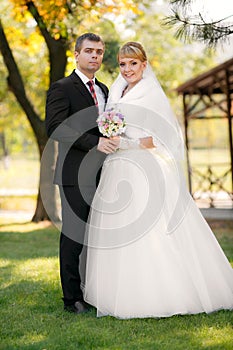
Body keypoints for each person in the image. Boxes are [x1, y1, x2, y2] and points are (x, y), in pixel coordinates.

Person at [84, 42, 233, 318]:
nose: (128, 69)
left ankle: (158, 293)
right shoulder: (116, 90)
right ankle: (120, 292)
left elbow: (161, 138)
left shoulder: (151, 94)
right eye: (123, 64)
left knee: (149, 231)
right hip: (117, 169)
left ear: (144, 64)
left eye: (134, 63)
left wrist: (125, 145)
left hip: (143, 167)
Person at [45, 33, 119, 314]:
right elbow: (55, 127)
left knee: (98, 236)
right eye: (89, 51)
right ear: (76, 55)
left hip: (105, 173)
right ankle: (72, 300)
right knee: (75, 236)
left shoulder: (104, 89)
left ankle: (93, 291)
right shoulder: (62, 87)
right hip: (74, 173)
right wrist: (95, 143)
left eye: (99, 52)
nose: (95, 56)